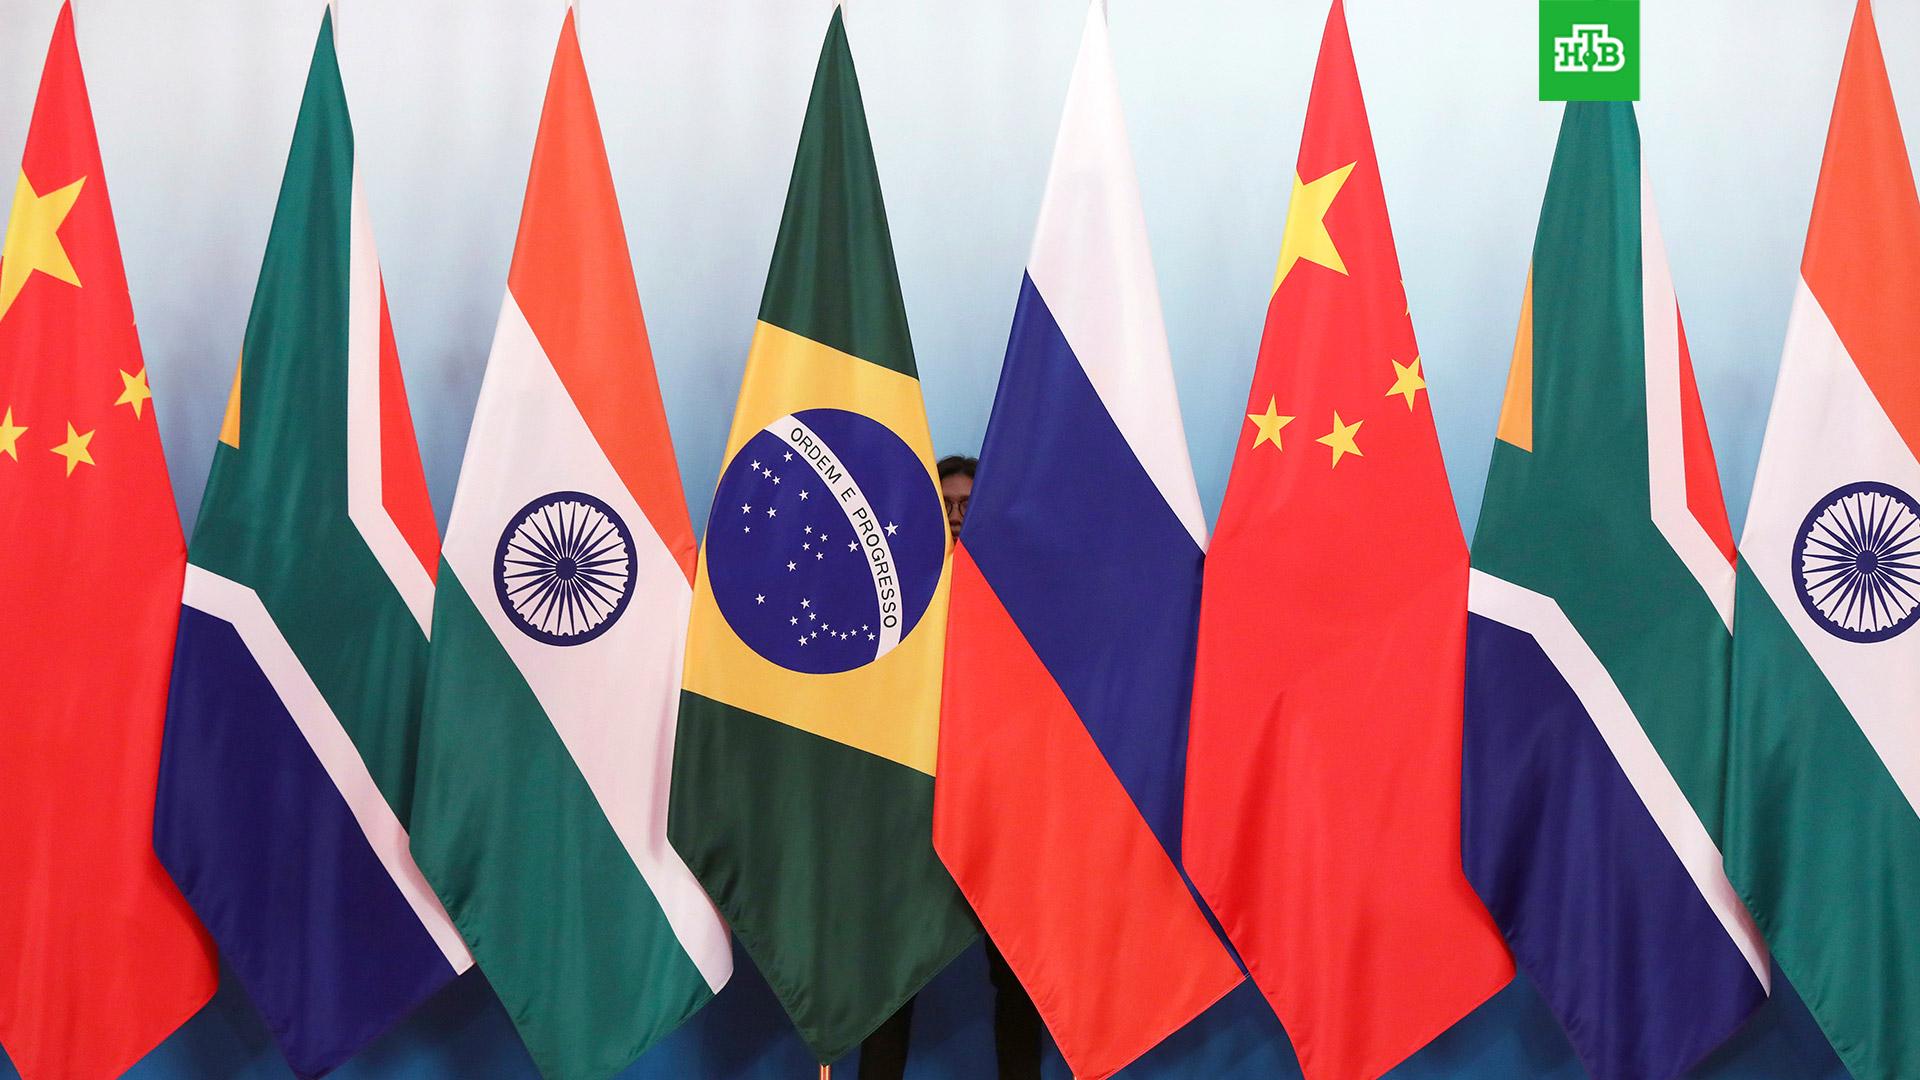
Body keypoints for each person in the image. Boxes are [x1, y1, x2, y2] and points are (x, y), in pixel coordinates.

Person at [858, 455, 1041, 1080]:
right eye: (946, 505)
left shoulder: (1021, 600)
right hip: (911, 813)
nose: (957, 516)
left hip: (1002, 816)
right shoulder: (895, 601)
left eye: (968, 504)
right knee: (891, 981)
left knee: (1018, 980)